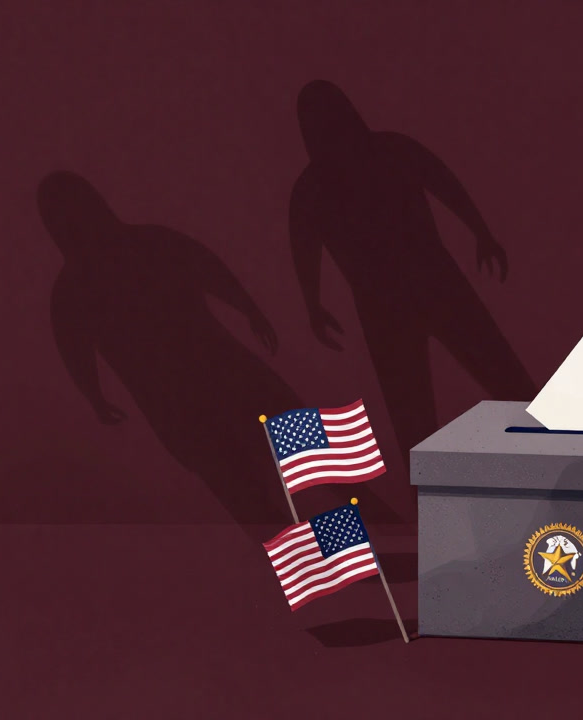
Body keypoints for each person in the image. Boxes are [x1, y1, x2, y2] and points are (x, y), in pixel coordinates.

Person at [289, 80, 537, 520]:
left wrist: (481, 232)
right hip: (397, 303)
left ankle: (557, 460)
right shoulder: (319, 185)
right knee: (417, 416)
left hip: (431, 287)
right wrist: (312, 304)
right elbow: (305, 251)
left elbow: (444, 185)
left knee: (495, 379)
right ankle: (436, 515)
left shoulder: (379, 156)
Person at [40, 172, 306, 528]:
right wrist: (95, 397)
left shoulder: (83, 282)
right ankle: (346, 554)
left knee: (276, 478)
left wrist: (248, 307)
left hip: (211, 390)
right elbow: (75, 352)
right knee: (264, 484)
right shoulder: (132, 252)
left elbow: (207, 268)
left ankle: (360, 549)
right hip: (205, 394)